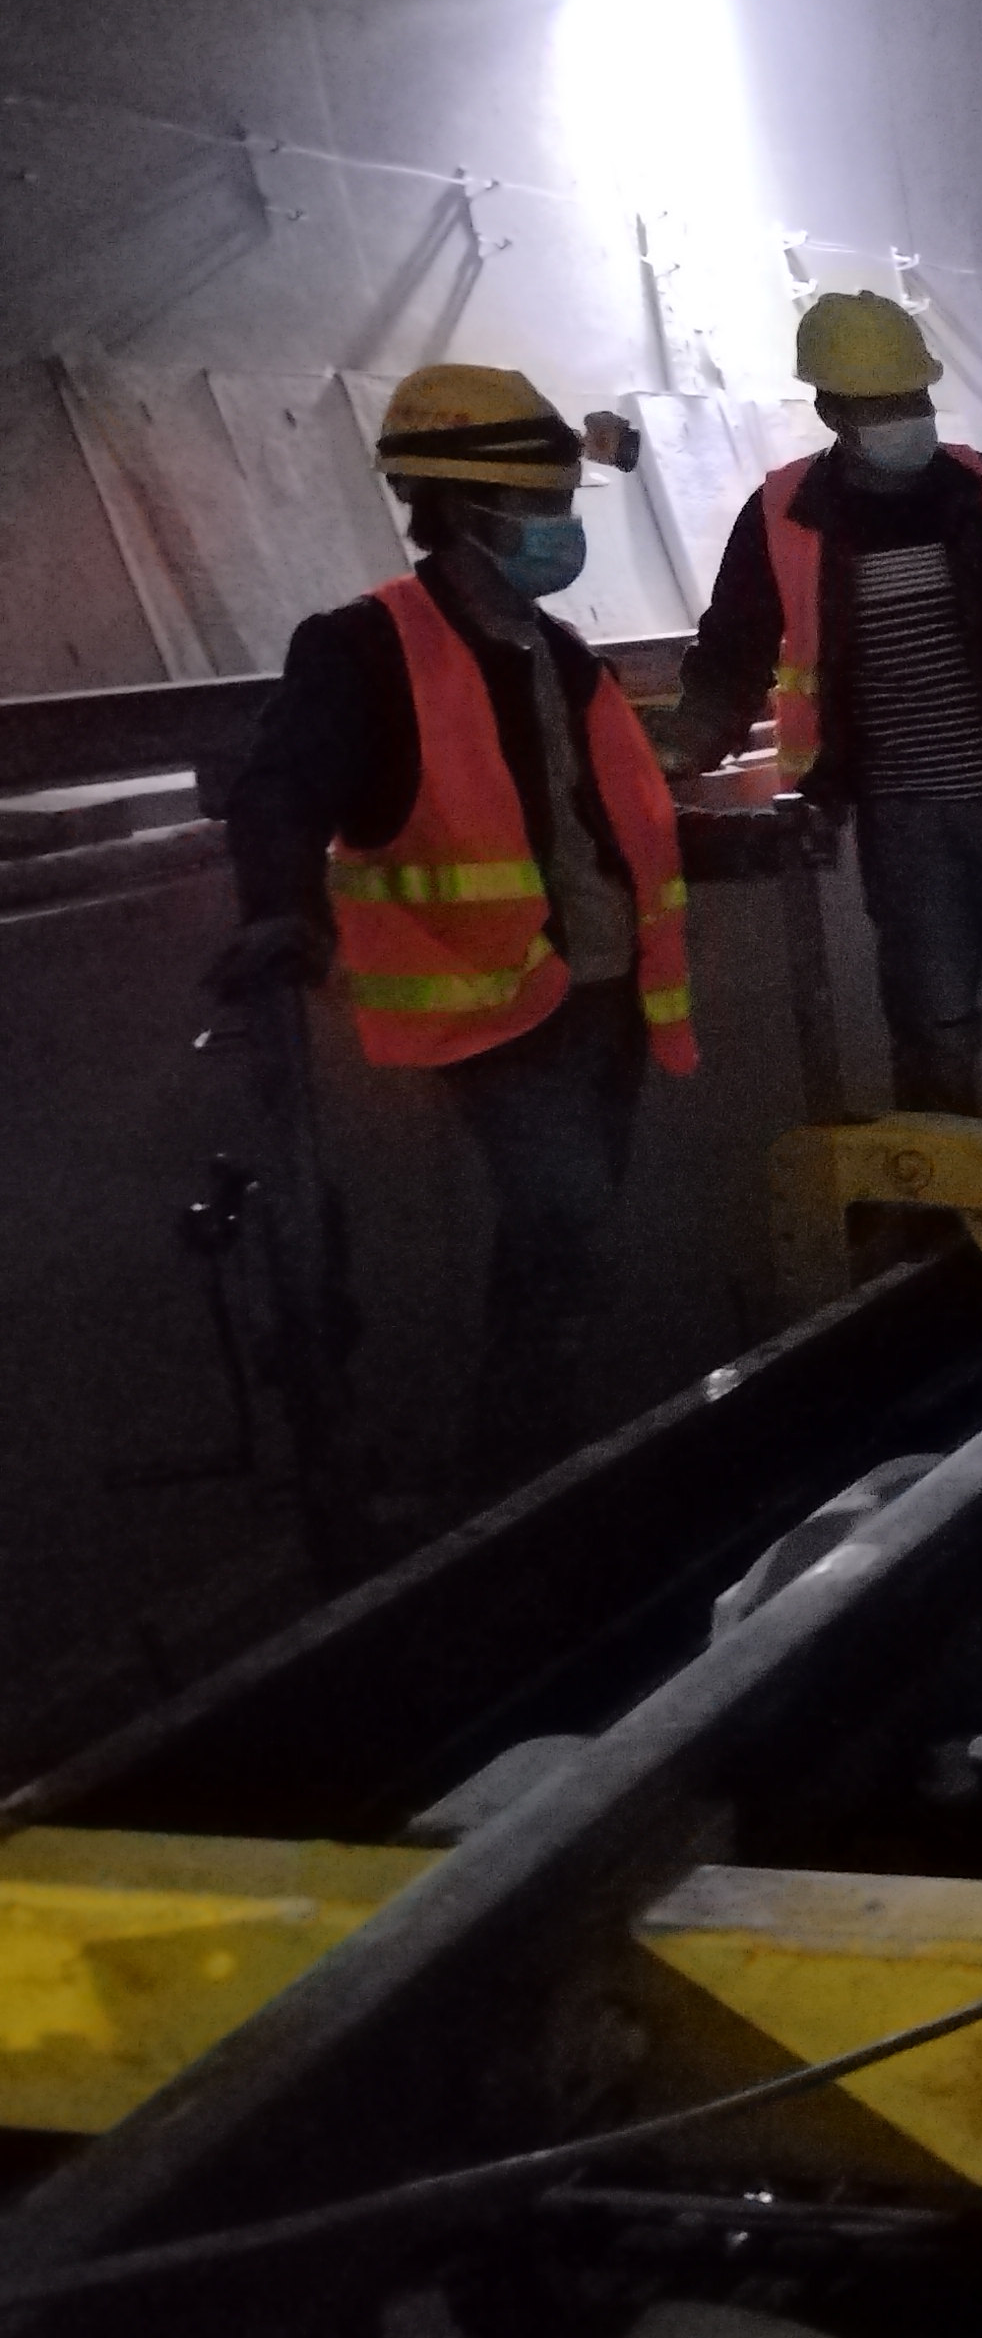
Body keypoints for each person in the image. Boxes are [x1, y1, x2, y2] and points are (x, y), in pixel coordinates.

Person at [217, 364, 695, 1493]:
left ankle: (535, 1461)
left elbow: (594, 824)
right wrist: (280, 913)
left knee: (568, 1246)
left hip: (604, 989)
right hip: (496, 1000)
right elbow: (278, 791)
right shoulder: (365, 648)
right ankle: (517, 1472)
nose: (556, 529)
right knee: (565, 1221)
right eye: (537, 507)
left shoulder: (561, 654)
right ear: (457, 512)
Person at [660, 293, 982, 1119]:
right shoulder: (785, 516)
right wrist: (684, 744)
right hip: (907, 828)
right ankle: (946, 1228)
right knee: (937, 1035)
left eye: (914, 399)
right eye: (882, 406)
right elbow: (731, 653)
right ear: (830, 412)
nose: (906, 419)